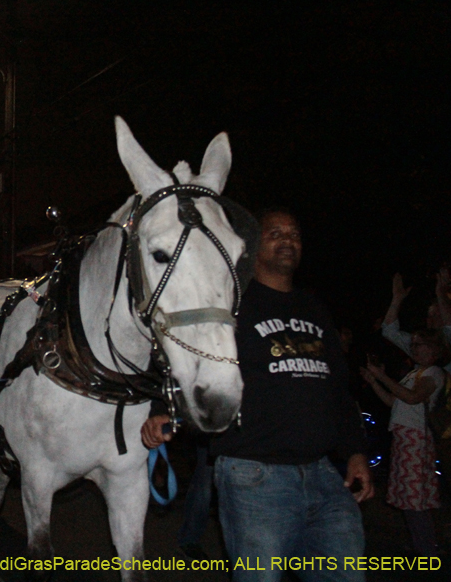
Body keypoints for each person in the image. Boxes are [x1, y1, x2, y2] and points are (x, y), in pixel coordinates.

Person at [142, 208, 373, 581]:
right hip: (255, 476)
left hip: (324, 475)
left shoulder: (314, 308)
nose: (287, 240)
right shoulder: (230, 304)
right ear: (252, 247)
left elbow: (337, 389)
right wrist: (163, 408)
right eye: (275, 233)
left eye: (294, 233)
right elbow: (183, 357)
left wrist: (355, 452)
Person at [361, 327, 445, 557]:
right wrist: (375, 381)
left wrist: (382, 377)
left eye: (419, 344)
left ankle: (427, 549)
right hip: (404, 437)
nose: (414, 349)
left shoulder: (433, 372)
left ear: (433, 349)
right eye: (413, 345)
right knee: (409, 497)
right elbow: (393, 401)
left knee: (415, 498)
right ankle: (422, 545)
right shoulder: (416, 373)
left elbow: (412, 397)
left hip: (415, 439)